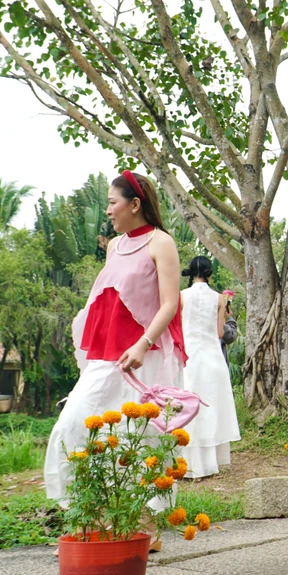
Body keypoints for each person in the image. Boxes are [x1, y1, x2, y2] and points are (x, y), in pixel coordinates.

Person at [44, 170, 186, 551]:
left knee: (139, 441)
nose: (107, 209)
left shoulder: (162, 243)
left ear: (134, 204)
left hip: (146, 358)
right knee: (75, 424)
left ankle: (143, 528)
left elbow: (170, 302)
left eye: (112, 202)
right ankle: (97, 517)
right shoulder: (115, 246)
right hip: (106, 357)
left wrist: (142, 343)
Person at [180, 256, 241, 478]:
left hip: (188, 358)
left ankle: (184, 462)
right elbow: (219, 334)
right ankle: (209, 462)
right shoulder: (219, 299)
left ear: (191, 272)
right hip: (212, 358)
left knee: (186, 408)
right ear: (210, 273)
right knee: (209, 407)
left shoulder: (181, 296)